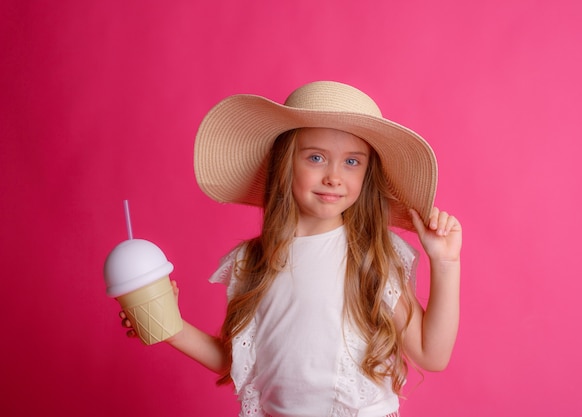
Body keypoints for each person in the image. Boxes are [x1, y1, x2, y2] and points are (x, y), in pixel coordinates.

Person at [120, 81, 462, 417]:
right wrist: (171, 327)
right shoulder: (250, 262)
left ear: (367, 174)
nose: (334, 177)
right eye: (316, 158)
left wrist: (446, 263)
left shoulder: (371, 254)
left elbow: (433, 355)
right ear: (285, 164)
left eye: (352, 162)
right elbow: (239, 361)